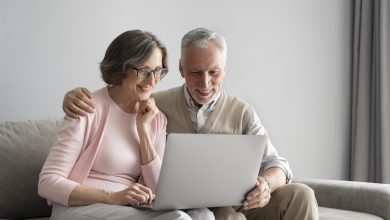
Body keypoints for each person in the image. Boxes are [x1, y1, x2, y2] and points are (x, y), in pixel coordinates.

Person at [62, 28, 319, 220]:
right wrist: (73, 97)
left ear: (225, 69)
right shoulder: (153, 104)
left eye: (214, 72)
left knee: (301, 194)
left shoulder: (243, 112)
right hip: (195, 206)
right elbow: (118, 96)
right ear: (181, 69)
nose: (205, 83)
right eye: (196, 72)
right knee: (225, 217)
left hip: (243, 199)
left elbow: (278, 164)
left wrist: (266, 184)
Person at [38, 30, 214, 220]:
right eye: (144, 71)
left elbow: (159, 190)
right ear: (120, 68)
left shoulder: (156, 118)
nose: (152, 81)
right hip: (80, 208)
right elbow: (47, 183)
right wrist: (113, 197)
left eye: (157, 71)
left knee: (203, 216)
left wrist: (144, 132)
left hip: (127, 207)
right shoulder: (87, 108)